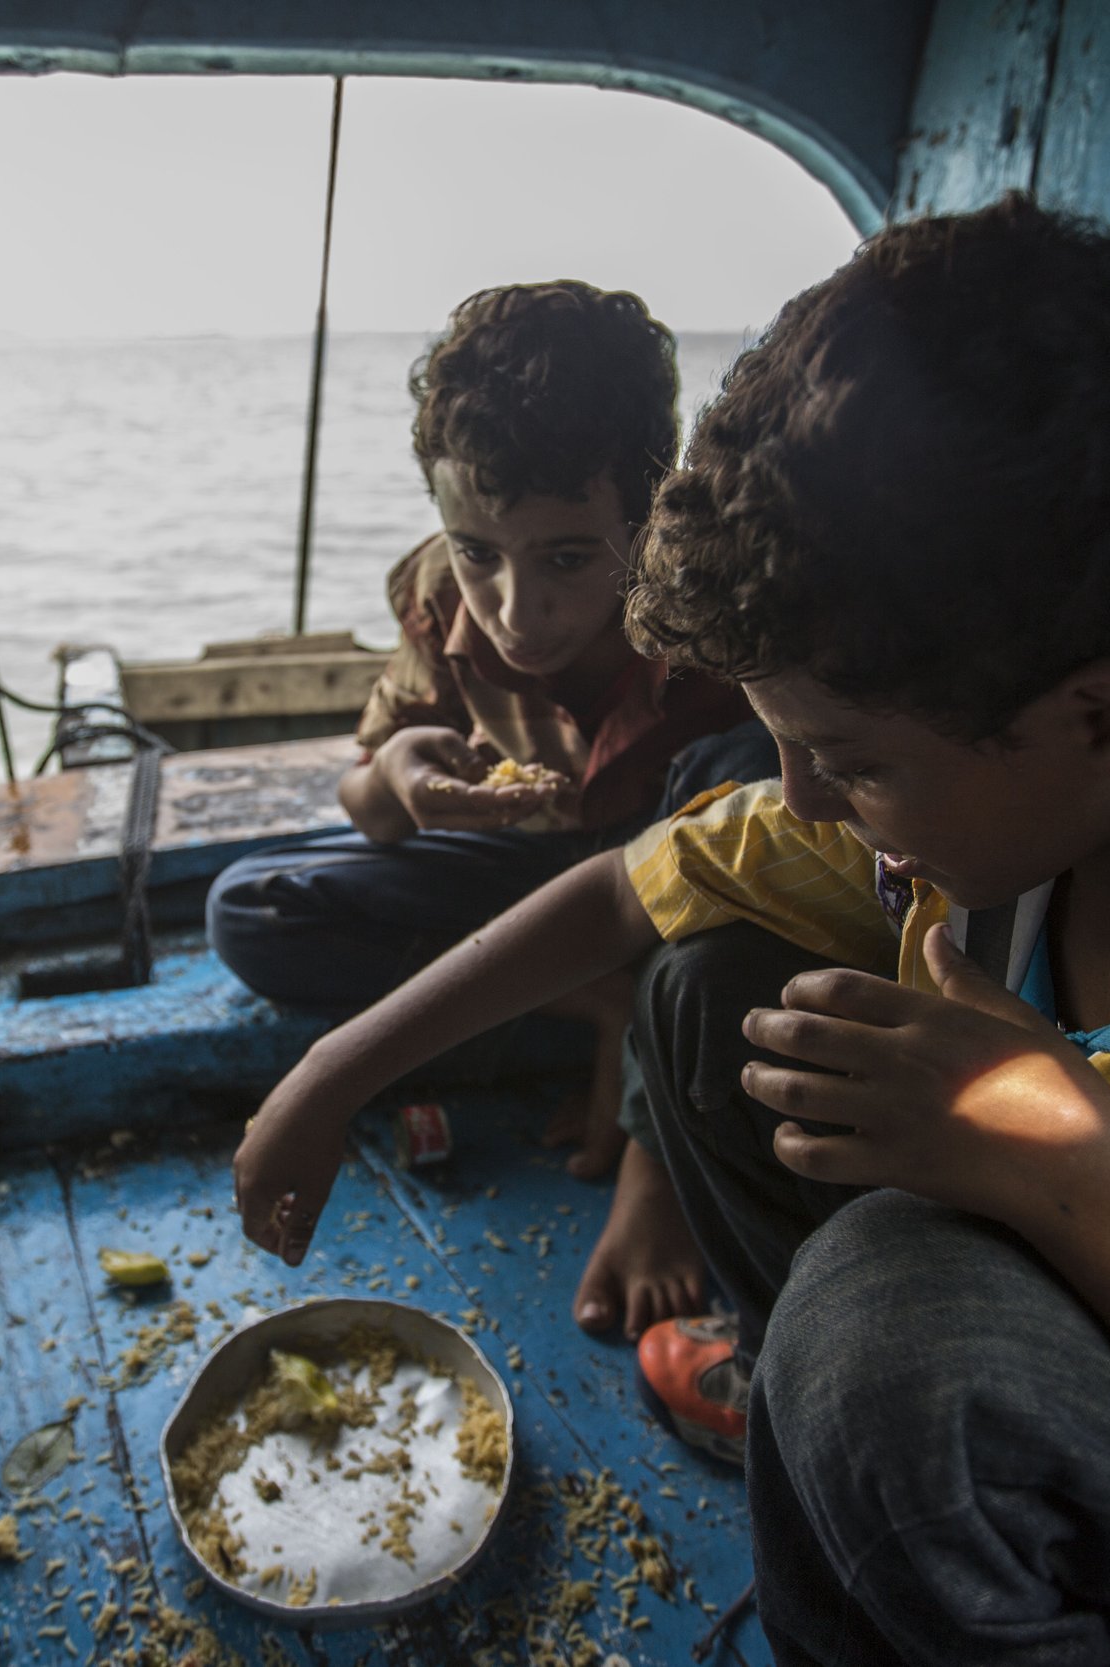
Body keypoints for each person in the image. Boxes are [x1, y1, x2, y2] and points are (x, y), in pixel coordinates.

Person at [232, 198, 1110, 1666]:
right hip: (1084, 1355)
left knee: (886, 1330)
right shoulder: (1039, 782)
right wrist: (328, 1074)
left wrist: (1103, 1186)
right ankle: (880, 1514)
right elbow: (630, 886)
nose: (800, 798)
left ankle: (892, 1466)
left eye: (845, 761)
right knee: (711, 992)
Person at [207, 280, 772, 1340]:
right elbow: (368, 800)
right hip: (528, 872)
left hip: (687, 893)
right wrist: (397, 782)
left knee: (736, 777)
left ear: (646, 514)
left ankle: (655, 1153)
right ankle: (606, 1003)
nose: (515, 609)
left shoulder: (711, 613)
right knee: (251, 908)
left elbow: (761, 855)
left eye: (565, 557)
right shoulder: (435, 595)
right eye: (478, 552)